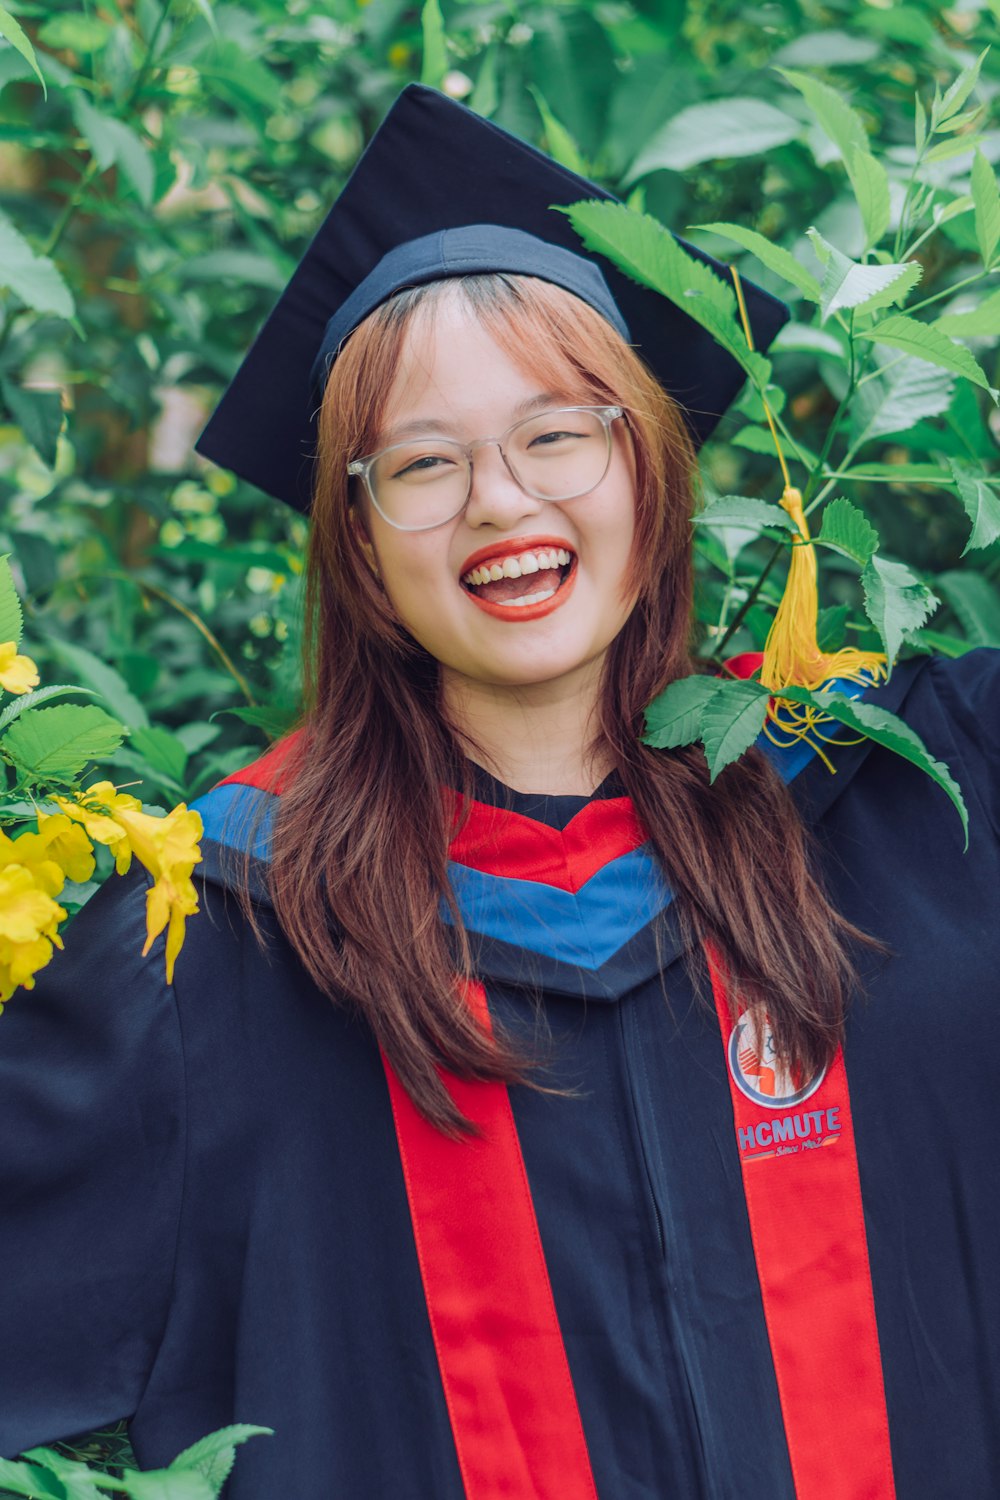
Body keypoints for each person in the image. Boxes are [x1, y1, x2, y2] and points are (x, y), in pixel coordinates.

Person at [1, 83, 998, 1500]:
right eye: (422, 464)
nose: (500, 501)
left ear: (648, 457)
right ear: (357, 539)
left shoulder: (919, 803)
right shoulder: (215, 936)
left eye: (558, 432)